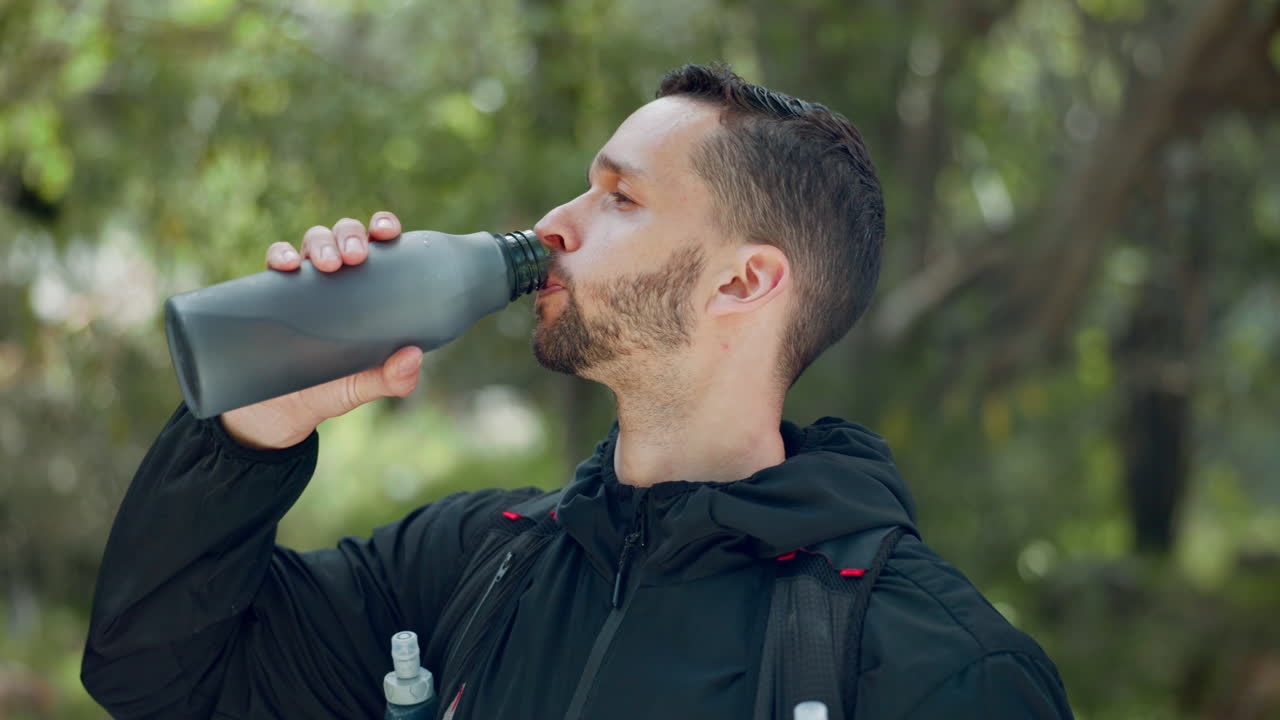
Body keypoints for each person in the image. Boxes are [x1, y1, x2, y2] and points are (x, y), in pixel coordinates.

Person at [82, 64, 1073, 719]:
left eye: (619, 196)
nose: (555, 222)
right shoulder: (467, 566)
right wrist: (254, 428)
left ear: (743, 280)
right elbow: (160, 676)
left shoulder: (935, 670)